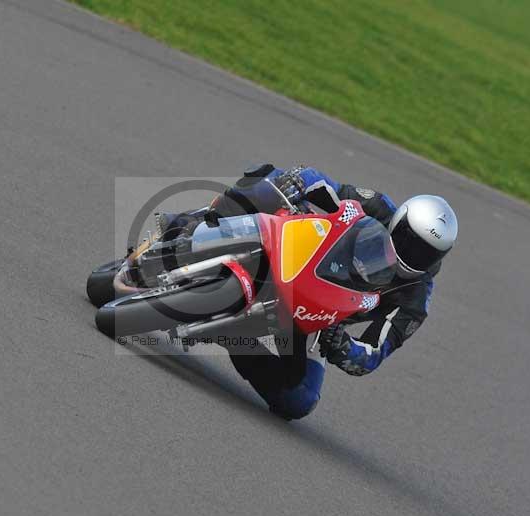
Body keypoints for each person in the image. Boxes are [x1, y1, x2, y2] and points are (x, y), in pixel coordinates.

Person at [159, 164, 458, 420]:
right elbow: (327, 186)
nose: (410, 254)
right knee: (267, 183)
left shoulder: (415, 300)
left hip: (322, 316)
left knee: (299, 398)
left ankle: (230, 334)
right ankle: (192, 226)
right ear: (398, 221)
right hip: (301, 255)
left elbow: (373, 353)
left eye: (424, 254)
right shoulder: (378, 206)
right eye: (408, 239)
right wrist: (298, 181)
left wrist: (343, 346)